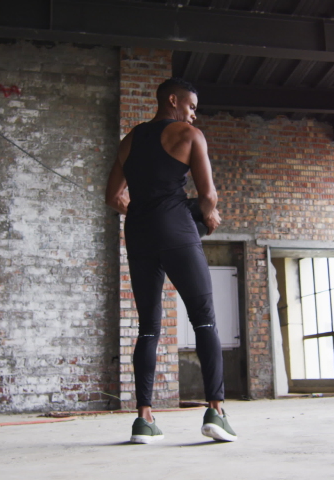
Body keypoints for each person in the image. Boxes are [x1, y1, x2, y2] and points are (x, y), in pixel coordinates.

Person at [105, 77, 237, 444]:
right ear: (173, 100)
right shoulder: (190, 136)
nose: (193, 115)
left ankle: (144, 420)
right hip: (177, 230)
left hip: (139, 233)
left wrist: (145, 212)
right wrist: (208, 216)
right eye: (191, 107)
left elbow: (112, 196)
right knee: (204, 319)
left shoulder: (129, 139)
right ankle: (216, 411)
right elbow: (208, 195)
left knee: (148, 327)